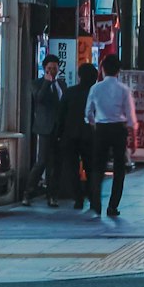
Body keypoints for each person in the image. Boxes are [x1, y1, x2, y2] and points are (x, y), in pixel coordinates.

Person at [85, 53, 137, 219]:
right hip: (118, 130)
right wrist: (133, 138)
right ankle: (113, 206)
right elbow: (131, 116)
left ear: (102, 69)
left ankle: (96, 204)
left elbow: (88, 113)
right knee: (119, 169)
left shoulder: (95, 88)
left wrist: (94, 124)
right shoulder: (124, 90)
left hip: (101, 129)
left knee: (97, 168)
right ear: (118, 71)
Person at [22, 53, 64, 206]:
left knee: (55, 164)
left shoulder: (62, 84)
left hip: (58, 130)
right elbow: (39, 99)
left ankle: (51, 195)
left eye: (55, 68)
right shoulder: (37, 84)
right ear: (44, 69)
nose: (52, 71)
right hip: (44, 128)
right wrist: (47, 82)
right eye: (49, 68)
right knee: (42, 162)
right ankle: (28, 192)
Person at [57, 62, 98, 209]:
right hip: (90, 136)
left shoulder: (69, 92)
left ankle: (78, 199)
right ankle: (93, 198)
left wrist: (58, 134)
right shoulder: (96, 93)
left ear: (79, 76)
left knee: (72, 169)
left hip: (70, 136)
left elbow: (60, 115)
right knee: (91, 168)